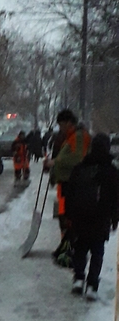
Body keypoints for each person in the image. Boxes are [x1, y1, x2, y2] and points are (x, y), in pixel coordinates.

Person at [65, 133, 119, 300]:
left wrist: (69, 215)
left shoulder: (80, 168)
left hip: (80, 216)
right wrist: (115, 217)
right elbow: (116, 197)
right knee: (97, 252)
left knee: (80, 248)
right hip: (100, 218)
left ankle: (79, 278)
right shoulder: (112, 171)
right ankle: (92, 285)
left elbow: (70, 193)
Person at [44, 109, 91, 265]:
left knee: (69, 218)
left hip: (72, 185)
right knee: (63, 217)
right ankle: (65, 247)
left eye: (62, 124)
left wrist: (55, 162)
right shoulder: (70, 137)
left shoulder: (78, 137)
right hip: (64, 184)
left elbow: (78, 159)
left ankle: (70, 249)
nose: (60, 128)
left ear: (69, 123)